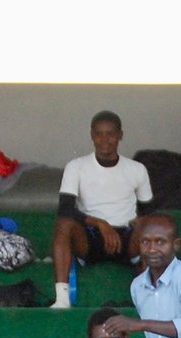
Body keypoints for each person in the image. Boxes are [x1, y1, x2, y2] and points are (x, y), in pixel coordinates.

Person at [50, 110, 153, 310]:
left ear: (120, 135)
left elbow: (148, 210)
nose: (104, 140)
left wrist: (139, 222)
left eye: (110, 134)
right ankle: (62, 299)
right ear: (91, 135)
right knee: (64, 224)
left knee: (151, 226)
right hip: (90, 237)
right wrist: (100, 223)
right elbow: (65, 209)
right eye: (98, 134)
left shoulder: (137, 169)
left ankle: (150, 298)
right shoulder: (76, 166)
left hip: (126, 237)